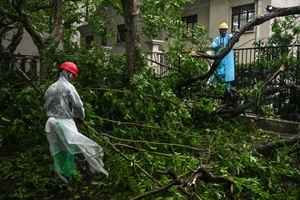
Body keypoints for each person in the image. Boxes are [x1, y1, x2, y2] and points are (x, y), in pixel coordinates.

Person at [44, 61, 108, 183]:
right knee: (83, 148)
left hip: (50, 124)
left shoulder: (50, 88)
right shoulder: (69, 87)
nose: (73, 78)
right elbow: (78, 106)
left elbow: (46, 106)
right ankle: (87, 176)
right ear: (68, 73)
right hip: (65, 123)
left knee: (59, 149)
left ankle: (64, 178)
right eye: (72, 74)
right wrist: (80, 117)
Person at [210, 22, 236, 105]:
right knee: (218, 79)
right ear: (219, 31)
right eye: (222, 30)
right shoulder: (217, 39)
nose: (224, 32)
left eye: (225, 30)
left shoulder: (229, 37)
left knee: (227, 82)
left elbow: (235, 38)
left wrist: (236, 32)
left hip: (228, 63)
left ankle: (227, 99)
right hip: (220, 62)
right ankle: (218, 99)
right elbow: (213, 46)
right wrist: (218, 46)